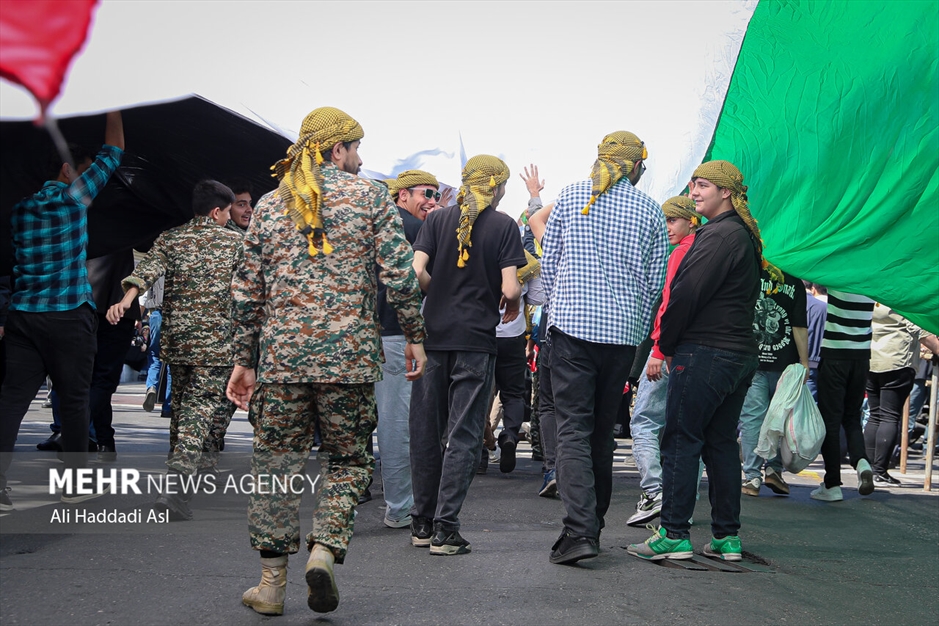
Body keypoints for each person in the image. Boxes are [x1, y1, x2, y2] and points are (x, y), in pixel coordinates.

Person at [226, 107, 425, 615]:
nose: (360, 158)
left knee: (276, 467)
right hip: (350, 361)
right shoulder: (370, 198)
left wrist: (243, 360)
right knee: (348, 460)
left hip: (282, 362)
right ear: (336, 150)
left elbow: (247, 290)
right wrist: (415, 336)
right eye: (355, 148)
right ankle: (324, 548)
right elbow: (400, 276)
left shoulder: (271, 206)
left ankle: (271, 585)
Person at [628, 160, 764, 562]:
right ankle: (726, 537)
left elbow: (685, 295)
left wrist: (664, 345)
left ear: (726, 192)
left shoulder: (719, 237)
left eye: (703, 184)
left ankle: (673, 534)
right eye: (693, 183)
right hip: (735, 354)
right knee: (720, 443)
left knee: (680, 440)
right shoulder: (739, 235)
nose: (695, 191)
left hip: (706, 352)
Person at [542, 131, 668, 564]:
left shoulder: (572, 196)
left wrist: (564, 304)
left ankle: (579, 532)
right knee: (600, 433)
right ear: (634, 167)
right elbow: (655, 286)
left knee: (572, 429)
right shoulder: (651, 210)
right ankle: (589, 526)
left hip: (572, 332)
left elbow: (551, 263)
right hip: (621, 340)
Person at [0, 111, 124, 509]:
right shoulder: (74, 200)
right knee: (72, 399)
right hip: (68, 315)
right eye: (82, 171)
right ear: (68, 170)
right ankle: (74, 484)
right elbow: (115, 151)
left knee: (12, 401)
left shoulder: (20, 210)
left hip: (23, 316)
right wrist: (115, 106)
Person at [408, 155, 524, 556]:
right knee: (463, 433)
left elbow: (416, 268)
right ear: (495, 186)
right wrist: (511, 299)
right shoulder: (504, 225)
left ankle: (421, 523)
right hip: (475, 339)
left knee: (425, 428)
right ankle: (445, 528)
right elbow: (510, 289)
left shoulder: (438, 220)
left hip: (434, 334)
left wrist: (436, 292)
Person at [107, 180, 242, 518]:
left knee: (182, 414)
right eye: (229, 212)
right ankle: (177, 489)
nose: (231, 217)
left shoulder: (171, 238)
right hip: (216, 347)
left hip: (178, 344)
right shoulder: (236, 243)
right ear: (216, 211)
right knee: (199, 414)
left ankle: (197, 471)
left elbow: (146, 271)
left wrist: (124, 301)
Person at [627, 196, 702, 527]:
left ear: (690, 221)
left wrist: (657, 351)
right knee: (686, 428)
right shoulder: (710, 249)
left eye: (672, 220)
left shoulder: (680, 253)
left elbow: (669, 305)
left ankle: (655, 490)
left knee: (644, 422)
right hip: (699, 353)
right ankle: (682, 496)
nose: (666, 226)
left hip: (669, 350)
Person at [374, 168, 438, 528]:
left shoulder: (368, 222)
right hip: (397, 337)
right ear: (402, 196)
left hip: (358, 337)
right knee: (396, 425)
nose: (431, 200)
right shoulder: (414, 230)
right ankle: (399, 506)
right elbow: (416, 279)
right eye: (424, 194)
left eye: (435, 195)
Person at [739, 268, 808, 497]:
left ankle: (752, 477)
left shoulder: (750, 274)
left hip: (752, 360)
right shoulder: (794, 281)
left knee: (752, 418)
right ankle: (774, 470)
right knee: (779, 418)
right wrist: (804, 362)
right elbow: (799, 326)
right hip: (785, 365)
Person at [811, 290, 876, 502]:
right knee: (851, 416)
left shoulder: (839, 278)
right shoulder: (872, 280)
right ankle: (861, 461)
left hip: (835, 354)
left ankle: (832, 484)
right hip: (861, 356)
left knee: (830, 420)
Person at [863, 305, 939, 484]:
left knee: (875, 415)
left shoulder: (873, 294)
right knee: (890, 416)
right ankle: (879, 470)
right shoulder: (902, 297)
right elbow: (919, 329)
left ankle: (867, 468)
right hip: (897, 358)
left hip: (871, 357)